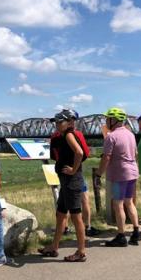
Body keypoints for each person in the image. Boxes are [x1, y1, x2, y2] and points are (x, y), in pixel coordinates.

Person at [38, 109, 87, 262]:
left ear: (69, 122)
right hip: (66, 182)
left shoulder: (69, 135)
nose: (57, 125)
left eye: (60, 122)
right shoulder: (64, 135)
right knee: (60, 215)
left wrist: (73, 170)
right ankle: (54, 247)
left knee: (76, 217)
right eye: (56, 122)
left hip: (72, 182)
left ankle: (81, 252)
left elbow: (79, 152)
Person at [50, 111, 101, 237]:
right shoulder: (75, 134)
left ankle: (65, 228)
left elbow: (54, 155)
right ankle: (87, 226)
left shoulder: (55, 136)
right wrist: (74, 168)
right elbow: (84, 153)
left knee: (63, 204)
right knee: (83, 200)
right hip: (75, 174)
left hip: (63, 172)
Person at [96, 107, 141, 247]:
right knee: (129, 202)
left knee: (118, 204)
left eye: (107, 118)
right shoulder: (130, 134)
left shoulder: (111, 136)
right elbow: (136, 153)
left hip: (119, 174)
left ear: (113, 120)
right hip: (132, 172)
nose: (106, 121)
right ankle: (136, 231)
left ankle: (121, 236)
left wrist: (98, 174)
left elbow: (106, 157)